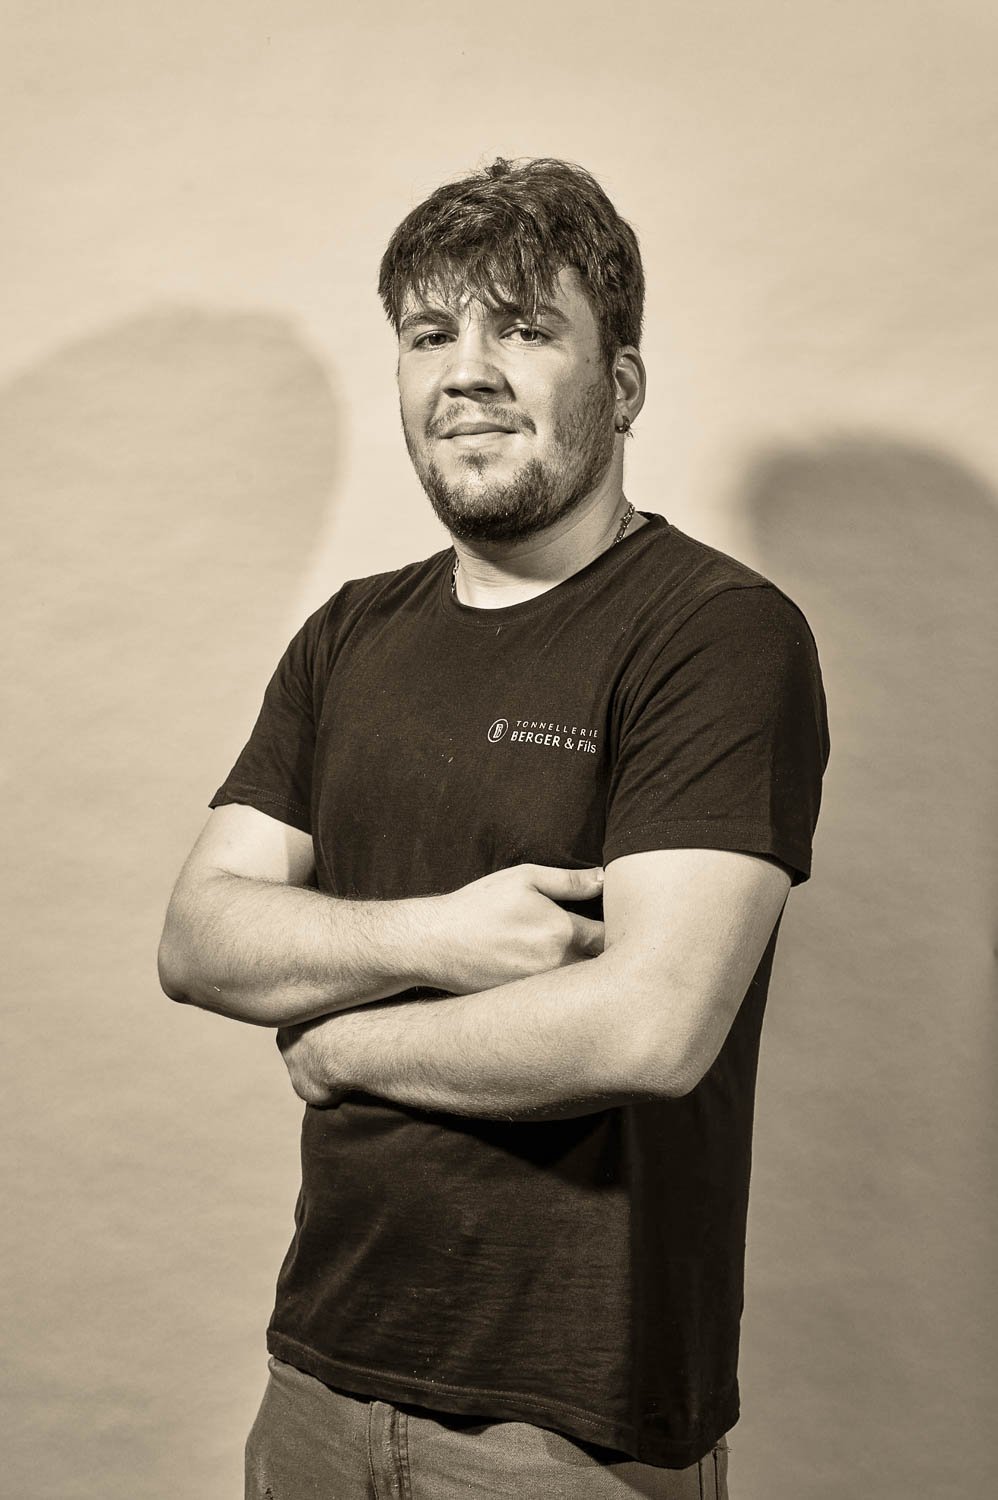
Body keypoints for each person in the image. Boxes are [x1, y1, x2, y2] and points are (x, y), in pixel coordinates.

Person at [159, 156, 828, 1499]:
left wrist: (342, 1046)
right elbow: (199, 935)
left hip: (563, 1429)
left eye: (522, 329)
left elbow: (646, 1026)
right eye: (429, 335)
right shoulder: (351, 633)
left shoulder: (715, 634)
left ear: (620, 386)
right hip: (318, 1376)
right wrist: (447, 937)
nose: (465, 372)